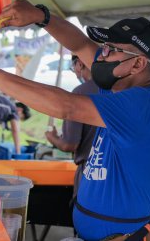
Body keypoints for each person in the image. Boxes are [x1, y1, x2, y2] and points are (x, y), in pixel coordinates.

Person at [0, 0, 150, 241]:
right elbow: (81, 44)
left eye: (110, 50)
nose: (101, 56)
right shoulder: (120, 85)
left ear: (137, 64)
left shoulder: (143, 105)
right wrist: (41, 17)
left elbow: (66, 106)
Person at [45, 55, 98, 199]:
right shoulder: (119, 89)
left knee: (88, 215)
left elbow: (69, 144)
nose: (74, 71)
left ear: (80, 64)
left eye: (73, 67)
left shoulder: (80, 93)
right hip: (118, 171)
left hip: (91, 170)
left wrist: (53, 138)